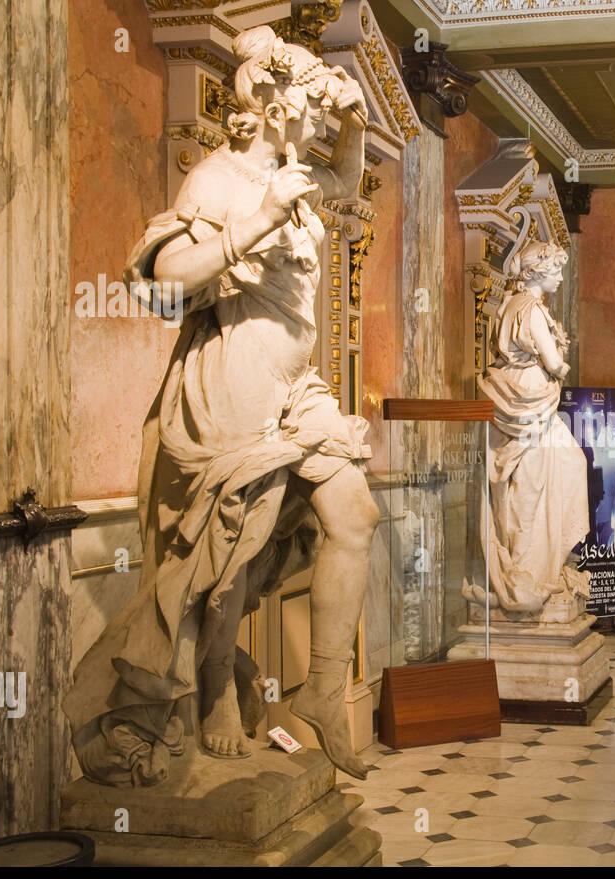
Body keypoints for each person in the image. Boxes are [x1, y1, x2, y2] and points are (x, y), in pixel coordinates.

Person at [64, 26, 379, 786]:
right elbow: (168, 279)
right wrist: (259, 220)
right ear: (274, 108)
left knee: (355, 515)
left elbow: (348, 177)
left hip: (296, 388)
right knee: (229, 559)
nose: (321, 121)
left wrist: (360, 121)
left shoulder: (300, 177)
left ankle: (322, 689)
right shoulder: (218, 180)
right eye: (313, 106)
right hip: (233, 382)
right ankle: (213, 700)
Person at [469, 239, 590, 618]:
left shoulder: (506, 304)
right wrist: (563, 366)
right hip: (531, 394)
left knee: (529, 484)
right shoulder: (532, 309)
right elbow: (554, 363)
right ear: (538, 271)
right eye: (555, 270)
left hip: (515, 394)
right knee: (536, 485)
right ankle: (530, 569)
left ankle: (541, 561)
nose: (559, 277)